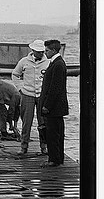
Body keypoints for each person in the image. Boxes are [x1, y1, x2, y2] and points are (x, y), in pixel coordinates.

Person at [11, 39, 50, 155]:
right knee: (26, 122)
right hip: (27, 94)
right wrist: (20, 88)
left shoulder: (48, 63)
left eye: (42, 51)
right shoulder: (24, 61)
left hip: (41, 96)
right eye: (38, 51)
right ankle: (24, 146)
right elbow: (15, 74)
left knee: (43, 122)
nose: (40, 54)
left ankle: (44, 147)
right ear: (32, 50)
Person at [39, 39, 69, 167]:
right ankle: (56, 158)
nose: (45, 53)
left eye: (46, 50)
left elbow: (55, 88)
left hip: (54, 107)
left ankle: (54, 159)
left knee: (53, 133)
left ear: (54, 50)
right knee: (55, 133)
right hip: (56, 107)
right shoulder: (56, 63)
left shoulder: (58, 64)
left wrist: (47, 105)